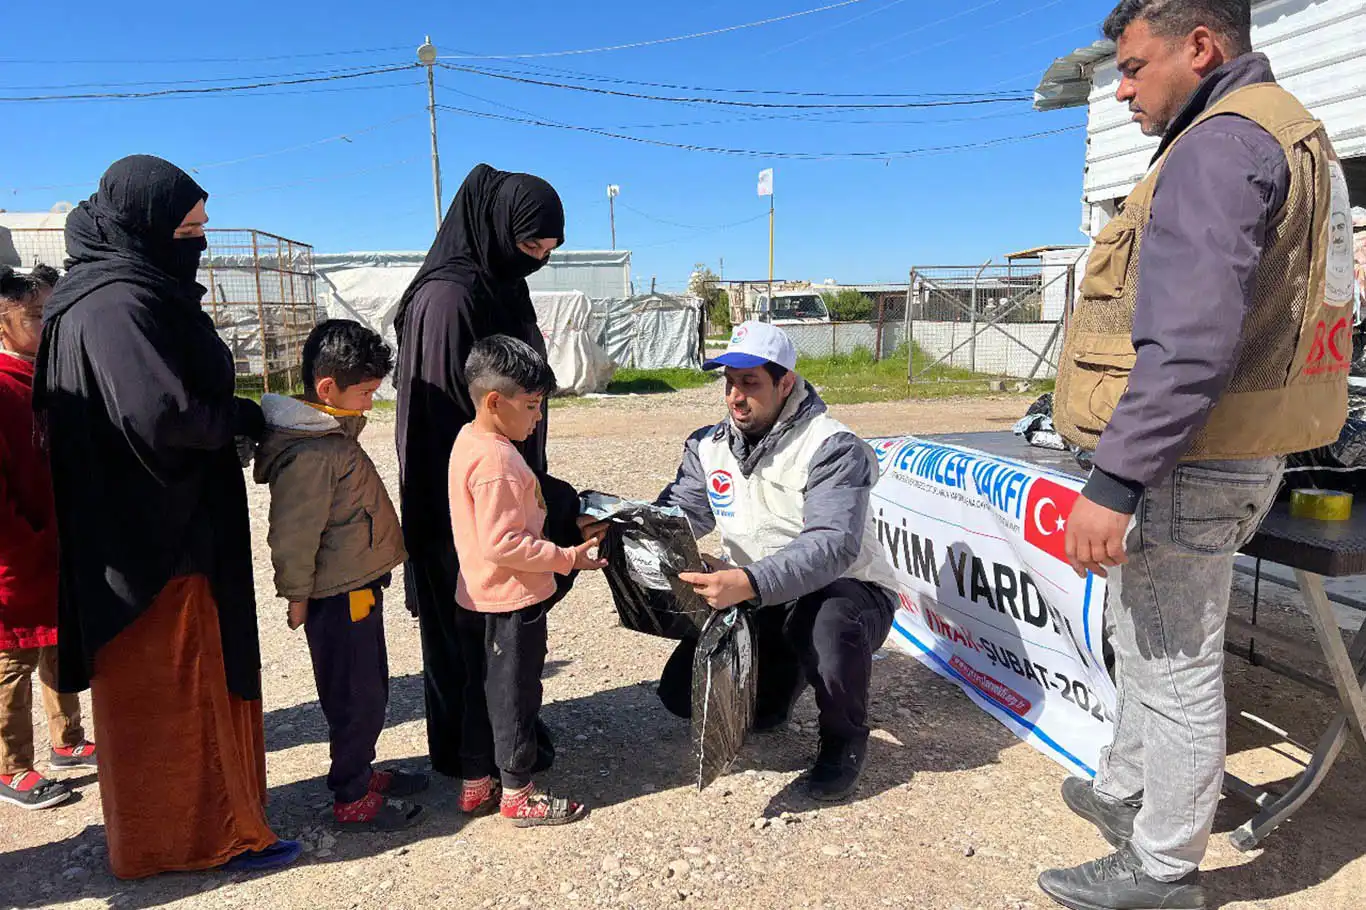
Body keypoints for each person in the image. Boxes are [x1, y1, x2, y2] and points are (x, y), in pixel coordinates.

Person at [1045, 2, 1350, 908]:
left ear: (1202, 47)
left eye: (1134, 67)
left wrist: (1117, 477)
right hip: (1232, 451)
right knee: (1145, 641)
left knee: (1173, 660)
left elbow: (1189, 342)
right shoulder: (1288, 133)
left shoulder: (1218, 146)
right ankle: (1131, 795)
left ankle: (1161, 870)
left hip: (1189, 459)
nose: (1125, 89)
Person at [33, 155, 300, 877]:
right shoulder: (119, 304)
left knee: (169, 700)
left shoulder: (105, 290)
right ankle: (203, 838)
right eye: (188, 227)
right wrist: (248, 413)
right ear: (145, 226)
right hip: (158, 549)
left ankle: (181, 832)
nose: (201, 240)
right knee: (182, 695)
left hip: (141, 538)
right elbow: (161, 416)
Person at [647, 321, 899, 801]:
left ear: (786, 384)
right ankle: (792, 675)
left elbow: (832, 544)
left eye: (750, 383)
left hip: (846, 590)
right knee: (685, 697)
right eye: (729, 383)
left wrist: (747, 581)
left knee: (827, 623)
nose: (735, 397)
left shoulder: (833, 446)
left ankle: (843, 740)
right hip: (761, 591)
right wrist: (618, 524)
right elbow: (682, 514)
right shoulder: (708, 446)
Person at [394, 163, 581, 782]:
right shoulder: (449, 299)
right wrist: (505, 493)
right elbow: (441, 423)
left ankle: (506, 738)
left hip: (503, 485)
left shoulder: (500, 282)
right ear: (499, 228)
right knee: (471, 624)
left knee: (504, 631)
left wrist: (538, 488)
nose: (540, 259)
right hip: (466, 501)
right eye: (531, 245)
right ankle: (470, 756)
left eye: (550, 249)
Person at [254, 319, 426, 831]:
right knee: (356, 696)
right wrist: (297, 594)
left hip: (358, 587)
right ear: (328, 388)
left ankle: (361, 769)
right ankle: (350, 795)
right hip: (339, 594)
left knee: (369, 686)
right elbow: (293, 533)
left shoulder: (330, 433)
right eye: (366, 393)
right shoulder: (311, 451)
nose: (371, 403)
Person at [448, 335, 603, 826]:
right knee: (515, 697)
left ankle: (478, 784)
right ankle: (518, 793)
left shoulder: (468, 441)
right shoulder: (498, 462)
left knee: (480, 694)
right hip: (510, 603)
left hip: (474, 596)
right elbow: (504, 543)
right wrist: (566, 557)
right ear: (495, 402)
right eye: (533, 406)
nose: (538, 418)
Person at [0, 266, 96, 811]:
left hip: (53, 542)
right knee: (11, 659)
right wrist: (25, 542)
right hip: (15, 551)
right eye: (35, 316)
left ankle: (68, 739)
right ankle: (11, 766)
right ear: (2, 323)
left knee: (58, 644)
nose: (46, 324)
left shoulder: (43, 378)